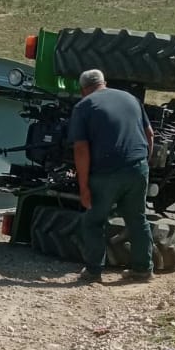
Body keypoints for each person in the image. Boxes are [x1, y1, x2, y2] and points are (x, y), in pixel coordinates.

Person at [68, 68, 154, 284]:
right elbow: (149, 134)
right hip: (137, 167)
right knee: (137, 219)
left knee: (94, 221)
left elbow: (80, 148)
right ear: (103, 82)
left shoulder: (84, 106)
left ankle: (94, 271)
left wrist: (84, 186)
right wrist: (144, 164)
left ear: (83, 90)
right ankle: (143, 270)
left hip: (106, 173)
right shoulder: (131, 98)